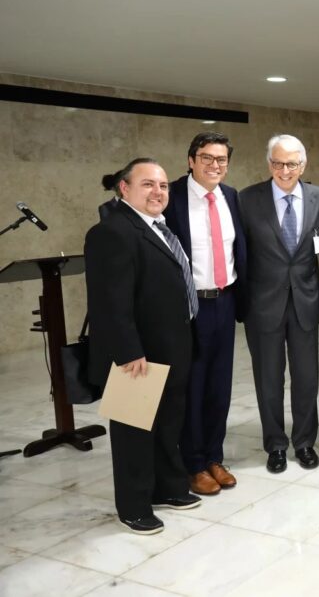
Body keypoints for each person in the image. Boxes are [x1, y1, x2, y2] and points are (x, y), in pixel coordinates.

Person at [85, 158, 200, 534]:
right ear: (125, 188)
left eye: (163, 185)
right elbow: (109, 302)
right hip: (137, 353)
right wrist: (128, 351)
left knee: (168, 422)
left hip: (172, 345)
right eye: (148, 184)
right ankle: (134, 505)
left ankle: (167, 487)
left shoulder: (159, 228)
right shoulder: (113, 232)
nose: (158, 192)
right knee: (134, 430)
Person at [164, 132, 247, 495]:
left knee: (219, 386)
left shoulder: (231, 197)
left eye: (222, 160)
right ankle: (193, 463)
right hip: (188, 306)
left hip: (225, 301)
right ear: (191, 160)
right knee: (192, 386)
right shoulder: (172, 198)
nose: (215, 165)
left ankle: (214, 455)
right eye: (207, 158)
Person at [239, 135, 319, 474]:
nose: (284, 170)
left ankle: (304, 442)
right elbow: (240, 255)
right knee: (269, 380)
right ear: (269, 164)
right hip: (263, 306)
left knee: (307, 378)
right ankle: (275, 444)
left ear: (302, 165)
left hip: (305, 302)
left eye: (291, 163)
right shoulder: (247, 200)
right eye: (278, 163)